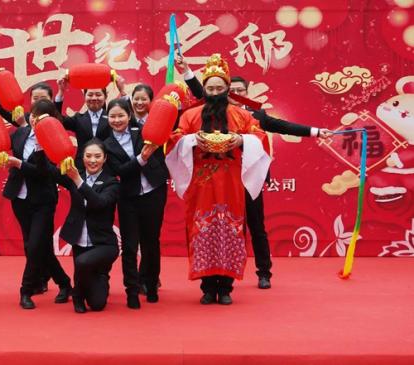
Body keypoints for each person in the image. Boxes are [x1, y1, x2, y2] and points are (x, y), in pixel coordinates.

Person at [176, 55, 331, 289]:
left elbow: (283, 126)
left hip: (245, 180)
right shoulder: (199, 113)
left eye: (234, 89)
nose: (223, 92)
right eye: (218, 88)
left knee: (253, 225)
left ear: (240, 91)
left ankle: (263, 272)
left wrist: (316, 131)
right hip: (208, 183)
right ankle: (208, 283)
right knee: (209, 227)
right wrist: (186, 71)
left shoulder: (251, 114)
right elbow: (202, 92)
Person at [166, 53, 270, 305]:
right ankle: (206, 286)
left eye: (219, 87)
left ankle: (226, 287)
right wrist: (192, 139)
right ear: (205, 90)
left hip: (231, 184)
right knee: (202, 231)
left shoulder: (241, 116)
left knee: (229, 231)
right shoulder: (191, 115)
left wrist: (241, 139)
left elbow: (261, 137)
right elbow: (174, 139)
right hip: (201, 185)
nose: (214, 92)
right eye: (210, 88)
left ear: (226, 89)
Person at [2, 99, 72, 310]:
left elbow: (44, 172)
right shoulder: (21, 134)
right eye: (34, 114)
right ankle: (65, 283)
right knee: (37, 247)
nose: (36, 119)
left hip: (43, 200)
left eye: (43, 116)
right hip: (20, 198)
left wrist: (20, 163)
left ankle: (26, 290)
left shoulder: (55, 140)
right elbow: (5, 148)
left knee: (34, 247)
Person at [104, 98, 169, 309]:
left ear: (129, 116)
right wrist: (141, 158)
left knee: (152, 242)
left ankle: (151, 286)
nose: (117, 120)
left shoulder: (143, 133)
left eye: (120, 115)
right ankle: (131, 291)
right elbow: (120, 171)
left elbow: (158, 155)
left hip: (153, 192)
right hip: (128, 198)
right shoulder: (106, 145)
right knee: (130, 247)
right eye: (112, 116)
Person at [58, 139, 120, 313]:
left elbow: (99, 203)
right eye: (88, 156)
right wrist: (41, 148)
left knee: (97, 304)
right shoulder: (73, 176)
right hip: (79, 238)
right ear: (82, 157)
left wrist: (78, 180)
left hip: (104, 244)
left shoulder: (111, 183)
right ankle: (81, 293)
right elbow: (47, 171)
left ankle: (80, 291)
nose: (92, 160)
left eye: (97, 156)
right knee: (83, 268)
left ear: (105, 158)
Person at [54, 76, 126, 168]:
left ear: (105, 96)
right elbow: (57, 120)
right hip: (82, 167)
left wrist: (122, 92)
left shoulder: (112, 118)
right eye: (90, 95)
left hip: (108, 167)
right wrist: (61, 92)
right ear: (84, 96)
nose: (94, 98)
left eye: (98, 95)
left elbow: (128, 118)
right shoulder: (78, 119)